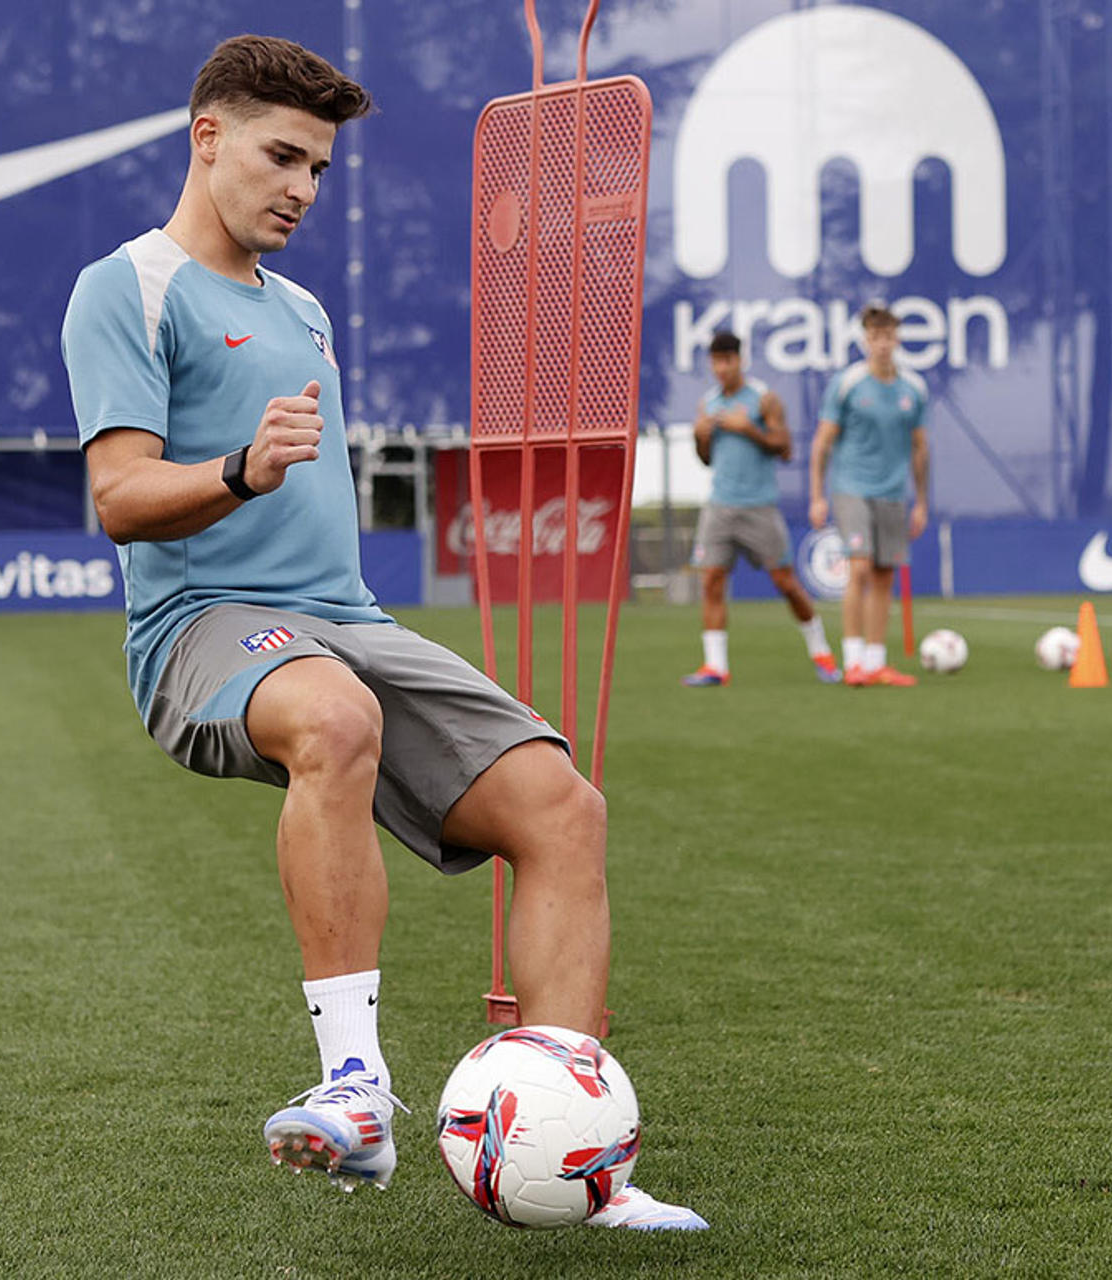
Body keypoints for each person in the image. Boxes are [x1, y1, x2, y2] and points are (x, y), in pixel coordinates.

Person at [60, 35, 703, 1230]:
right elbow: (119, 498)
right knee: (334, 715)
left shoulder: (301, 306)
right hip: (206, 627)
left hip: (346, 621)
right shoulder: (128, 286)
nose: (302, 187)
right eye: (281, 155)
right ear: (208, 139)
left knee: (564, 807)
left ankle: (578, 1151)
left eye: (318, 168)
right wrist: (243, 470)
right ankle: (355, 1087)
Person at [682, 331, 838, 687]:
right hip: (719, 506)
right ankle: (715, 667)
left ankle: (822, 653)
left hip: (759, 507)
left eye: (728, 360)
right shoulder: (707, 403)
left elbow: (784, 448)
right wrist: (700, 437)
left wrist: (748, 428)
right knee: (711, 580)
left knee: (786, 582)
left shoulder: (763, 399)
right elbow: (706, 459)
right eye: (716, 361)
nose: (722, 368)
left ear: (741, 360)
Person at [808, 301, 929, 687]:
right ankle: (854, 661)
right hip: (851, 489)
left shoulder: (913, 389)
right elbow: (822, 443)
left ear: (897, 339)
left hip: (893, 493)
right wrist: (817, 495)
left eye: (889, 336)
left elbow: (920, 448)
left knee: (882, 576)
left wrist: (922, 501)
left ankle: (877, 663)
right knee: (858, 568)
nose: (882, 343)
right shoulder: (847, 384)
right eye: (875, 336)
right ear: (865, 340)